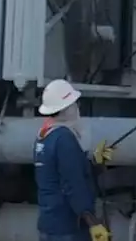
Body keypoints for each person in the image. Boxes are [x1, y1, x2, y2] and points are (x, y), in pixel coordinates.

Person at [34, 79, 114, 241]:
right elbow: (73, 184)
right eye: (74, 104)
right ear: (67, 109)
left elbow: (60, 173)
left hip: (50, 223)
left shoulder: (43, 136)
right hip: (67, 227)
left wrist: (94, 162)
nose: (77, 108)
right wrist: (93, 223)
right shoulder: (64, 139)